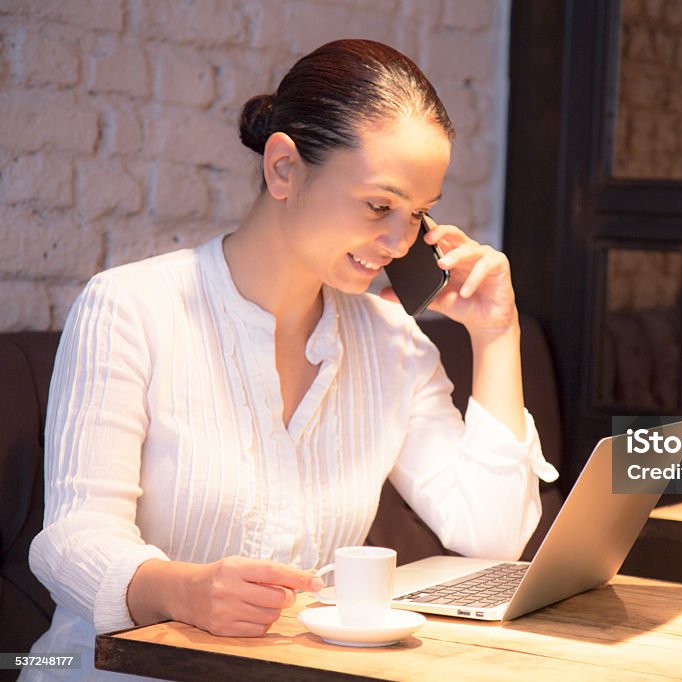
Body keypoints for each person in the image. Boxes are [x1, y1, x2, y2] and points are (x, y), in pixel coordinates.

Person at [26, 39, 558, 679]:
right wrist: (183, 591)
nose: (399, 241)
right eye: (378, 206)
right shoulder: (130, 308)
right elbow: (71, 541)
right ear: (283, 168)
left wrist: (497, 335)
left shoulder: (391, 339)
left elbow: (493, 537)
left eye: (418, 214)